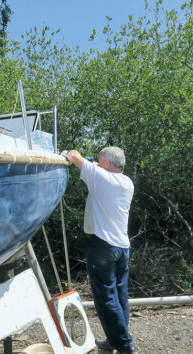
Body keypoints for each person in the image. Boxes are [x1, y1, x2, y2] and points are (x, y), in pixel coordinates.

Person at [61, 147, 137, 354]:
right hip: (122, 247)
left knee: (105, 298)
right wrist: (95, 163)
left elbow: (74, 156)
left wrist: (68, 152)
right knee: (119, 296)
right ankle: (116, 340)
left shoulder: (101, 178)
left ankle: (124, 345)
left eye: (101, 160)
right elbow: (94, 166)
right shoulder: (126, 182)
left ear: (108, 164)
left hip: (102, 245)